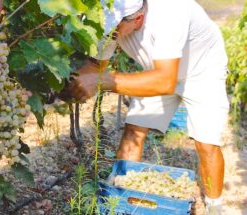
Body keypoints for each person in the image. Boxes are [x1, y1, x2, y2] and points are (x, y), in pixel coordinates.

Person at [67, 0, 230, 214]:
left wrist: (104, 81)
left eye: (116, 27)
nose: (111, 33)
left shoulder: (171, 12)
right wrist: (68, 82)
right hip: (158, 70)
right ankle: (120, 200)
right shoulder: (113, 25)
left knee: (206, 144)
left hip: (201, 72)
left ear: (139, 18)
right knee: (134, 130)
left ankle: (214, 207)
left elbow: (164, 82)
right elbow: (97, 67)